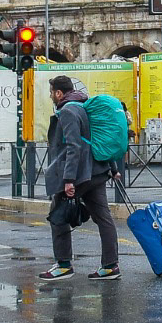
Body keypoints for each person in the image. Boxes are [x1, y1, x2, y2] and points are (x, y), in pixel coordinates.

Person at [37, 75, 120, 281]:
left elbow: (74, 146)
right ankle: (110, 266)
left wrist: (68, 180)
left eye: (51, 93)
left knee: (58, 216)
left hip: (81, 174)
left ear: (58, 93)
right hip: (98, 171)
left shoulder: (67, 111)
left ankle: (64, 265)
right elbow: (99, 139)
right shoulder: (85, 106)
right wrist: (113, 167)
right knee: (104, 219)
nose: (51, 97)